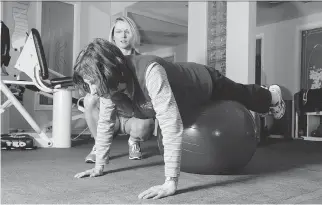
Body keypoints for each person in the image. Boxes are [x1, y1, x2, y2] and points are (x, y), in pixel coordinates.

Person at [72, 38, 286, 199]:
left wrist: (170, 182)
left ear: (108, 70)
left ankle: (272, 96)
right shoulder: (108, 90)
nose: (91, 89)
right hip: (183, 102)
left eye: (93, 82)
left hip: (204, 84)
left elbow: (171, 125)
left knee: (242, 93)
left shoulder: (150, 72)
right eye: (88, 83)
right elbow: (105, 123)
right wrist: (99, 166)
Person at [83, 16, 154, 163]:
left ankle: (133, 141)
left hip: (132, 116)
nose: (123, 35)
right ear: (113, 36)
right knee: (89, 100)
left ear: (133, 34)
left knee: (147, 124)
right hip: (110, 116)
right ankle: (99, 145)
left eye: (127, 31)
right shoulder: (104, 60)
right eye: (119, 31)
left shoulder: (142, 61)